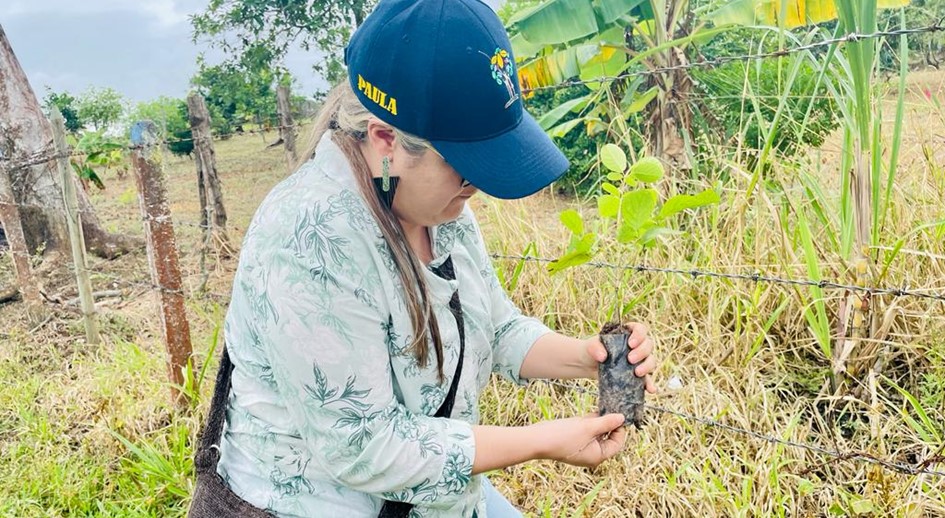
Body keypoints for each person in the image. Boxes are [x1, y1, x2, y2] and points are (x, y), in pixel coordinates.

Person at [211, 0, 658, 516]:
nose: (477, 188)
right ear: (386, 141)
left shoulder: (439, 208)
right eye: (465, 167)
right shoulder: (309, 239)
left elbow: (497, 327)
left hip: (437, 496)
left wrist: (587, 358)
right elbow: (363, 447)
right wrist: (537, 441)